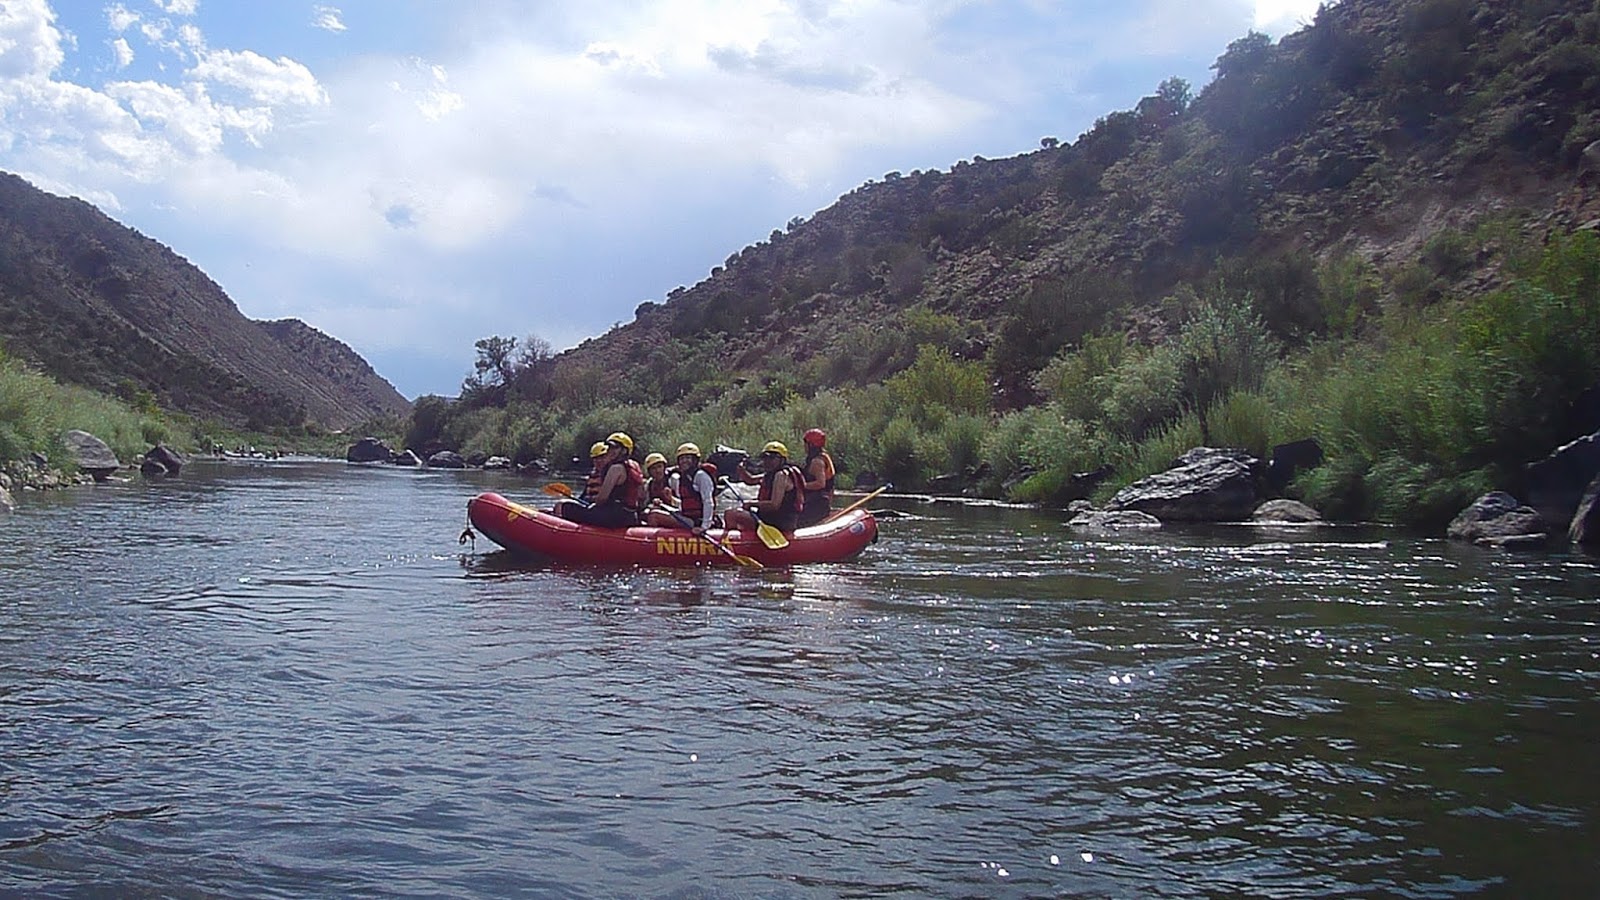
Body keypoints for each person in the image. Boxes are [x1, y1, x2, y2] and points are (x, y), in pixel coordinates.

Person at [557, 432, 643, 528]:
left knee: (566, 507)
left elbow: (602, 498)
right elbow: (641, 495)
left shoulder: (615, 468)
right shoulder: (634, 466)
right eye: (609, 448)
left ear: (624, 451)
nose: (611, 451)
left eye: (615, 448)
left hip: (615, 517)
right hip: (631, 516)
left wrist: (593, 506)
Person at [723, 440, 804, 533]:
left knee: (731, 514)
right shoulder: (770, 475)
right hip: (769, 518)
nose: (768, 461)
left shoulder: (781, 476)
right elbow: (750, 480)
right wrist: (741, 469)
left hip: (777, 523)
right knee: (735, 513)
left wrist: (752, 503)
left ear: (782, 460)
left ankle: (733, 539)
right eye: (765, 458)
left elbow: (774, 505)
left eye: (772, 458)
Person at [648, 442, 718, 531]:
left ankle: (652, 540)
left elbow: (708, 502)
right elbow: (683, 504)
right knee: (653, 511)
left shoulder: (701, 476)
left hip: (697, 521)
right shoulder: (683, 477)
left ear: (695, 460)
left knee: (654, 516)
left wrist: (704, 527)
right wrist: (669, 501)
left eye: (688, 458)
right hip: (687, 516)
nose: (684, 461)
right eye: (681, 459)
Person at [795, 428, 836, 528]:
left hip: (817, 503)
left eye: (806, 443)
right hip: (818, 501)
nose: (804, 446)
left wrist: (801, 486)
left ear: (811, 445)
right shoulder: (821, 457)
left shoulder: (817, 462)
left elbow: (820, 484)